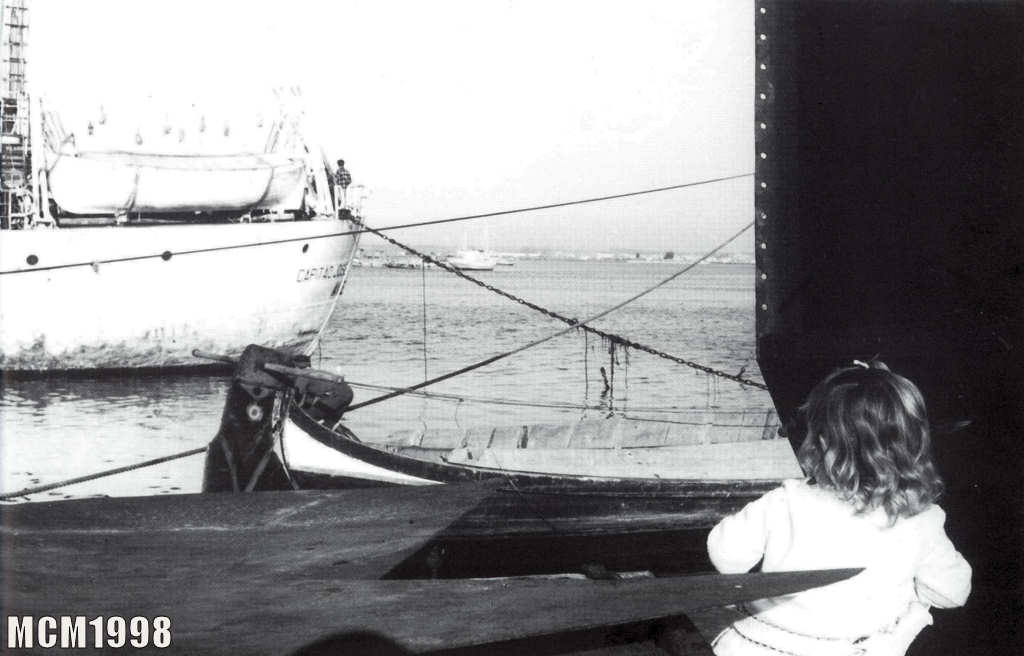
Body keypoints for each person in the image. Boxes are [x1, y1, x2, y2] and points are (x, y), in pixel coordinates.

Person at [706, 360, 971, 656]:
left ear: (819, 440)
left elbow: (725, 555)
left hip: (759, 645)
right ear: (914, 445)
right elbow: (953, 592)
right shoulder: (920, 519)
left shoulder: (786, 500)